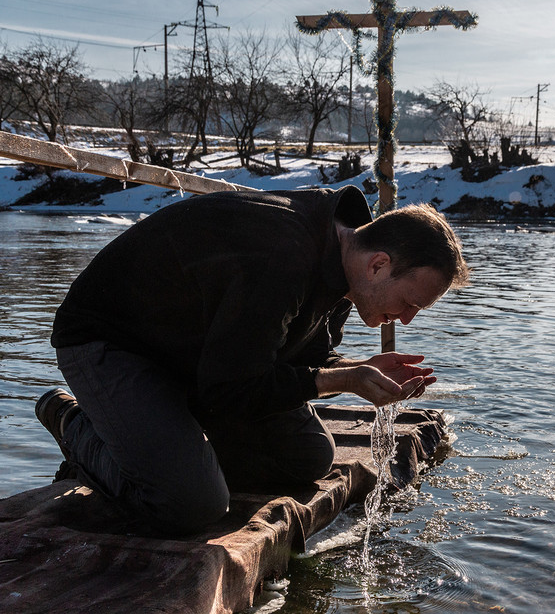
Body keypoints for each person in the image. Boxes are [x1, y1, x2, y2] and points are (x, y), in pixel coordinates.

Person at [35, 185, 469, 534]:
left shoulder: (343, 260)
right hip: (116, 345)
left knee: (308, 458)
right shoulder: (282, 257)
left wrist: (359, 373)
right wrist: (346, 380)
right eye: (410, 302)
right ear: (379, 265)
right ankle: (75, 422)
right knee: (192, 505)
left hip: (199, 355)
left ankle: (160, 437)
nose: (407, 319)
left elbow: (308, 357)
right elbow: (230, 389)